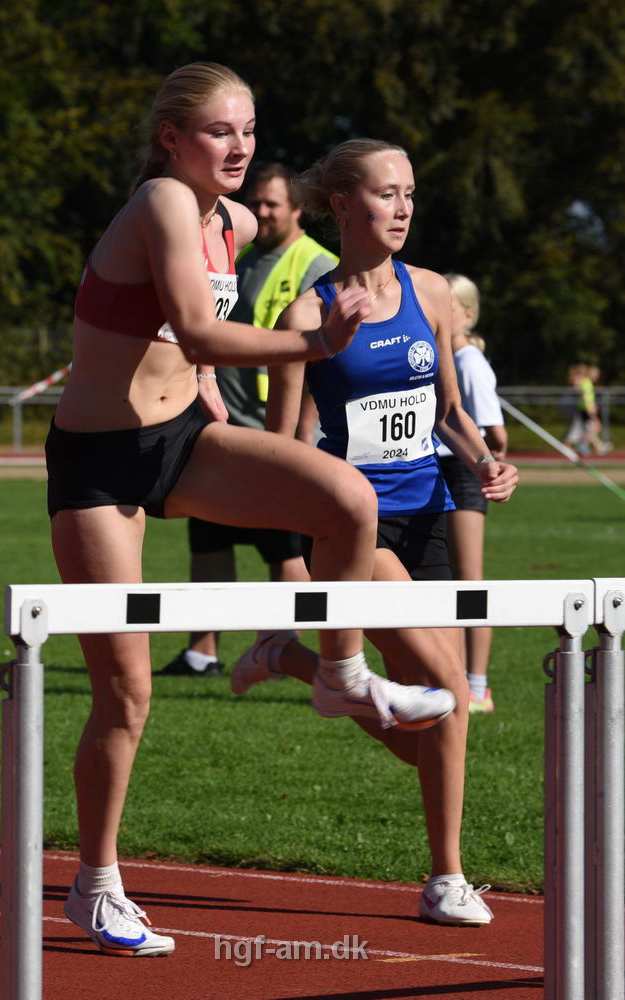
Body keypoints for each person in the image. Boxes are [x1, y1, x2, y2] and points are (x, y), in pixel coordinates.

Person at [47, 65, 456, 957]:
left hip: (182, 441)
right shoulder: (161, 201)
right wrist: (313, 342)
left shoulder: (229, 221)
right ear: (170, 139)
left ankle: (338, 672)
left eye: (249, 130)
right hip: (99, 462)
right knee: (127, 689)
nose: (239, 148)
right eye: (219, 132)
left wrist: (203, 394)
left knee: (344, 498)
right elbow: (195, 326)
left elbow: (185, 342)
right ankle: (96, 884)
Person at [230, 139, 518, 925]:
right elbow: (288, 442)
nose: (402, 209)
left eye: (410, 194)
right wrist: (294, 538)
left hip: (426, 511)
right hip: (357, 527)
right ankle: (446, 879)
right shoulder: (307, 311)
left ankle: (292, 660)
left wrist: (485, 460)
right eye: (386, 194)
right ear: (343, 205)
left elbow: (450, 411)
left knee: (423, 722)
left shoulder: (427, 292)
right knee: (451, 693)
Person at [159, 162, 337, 678]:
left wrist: (301, 431)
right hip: (219, 423)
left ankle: (281, 645)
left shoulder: (318, 265)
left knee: (281, 542)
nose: (261, 211)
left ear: (297, 209)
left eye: (272, 204)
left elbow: (324, 356)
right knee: (208, 538)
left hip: (272, 427)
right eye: (256, 202)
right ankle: (202, 652)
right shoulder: (236, 251)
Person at [436, 274, 507, 713]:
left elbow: (494, 433)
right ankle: (456, 678)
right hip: (441, 469)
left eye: (447, 305)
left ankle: (478, 686)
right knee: (448, 580)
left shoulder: (468, 363)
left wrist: (484, 462)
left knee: (469, 580)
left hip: (463, 473)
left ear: (466, 313)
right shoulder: (447, 357)